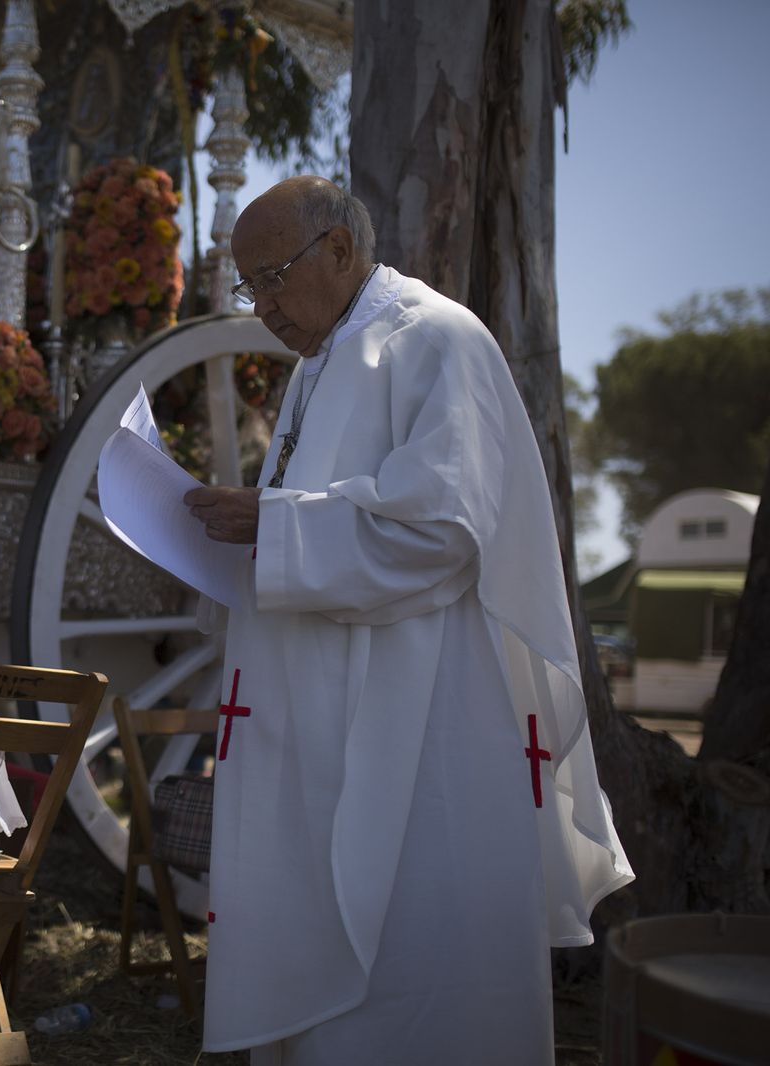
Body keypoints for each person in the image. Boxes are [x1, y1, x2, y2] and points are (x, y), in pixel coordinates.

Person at [183, 176, 633, 1065]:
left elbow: (439, 533)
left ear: (339, 249)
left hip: (421, 720)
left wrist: (274, 523)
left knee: (412, 976)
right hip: (329, 721)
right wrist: (239, 530)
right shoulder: (320, 366)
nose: (261, 305)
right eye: (248, 286)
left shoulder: (433, 338)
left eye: (272, 278)